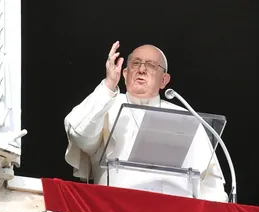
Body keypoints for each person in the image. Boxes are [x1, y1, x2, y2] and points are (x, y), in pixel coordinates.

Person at [64, 41, 228, 202]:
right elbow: (79, 133)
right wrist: (108, 86)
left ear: (164, 80)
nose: (141, 70)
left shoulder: (185, 117)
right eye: (136, 64)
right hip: (116, 209)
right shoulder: (105, 104)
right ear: (125, 74)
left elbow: (211, 183)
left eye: (151, 65)